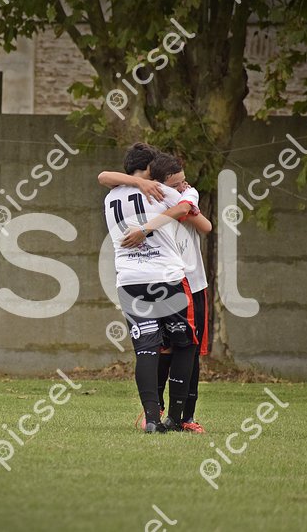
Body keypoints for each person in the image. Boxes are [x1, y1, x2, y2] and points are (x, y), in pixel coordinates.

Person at [102, 148, 199, 433]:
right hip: (166, 278)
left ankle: (152, 420)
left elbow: (103, 177)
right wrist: (185, 192)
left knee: (146, 350)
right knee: (185, 344)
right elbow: (189, 210)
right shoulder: (162, 192)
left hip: (129, 281)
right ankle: (177, 417)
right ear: (148, 169)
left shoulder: (110, 197)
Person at [122, 161, 212, 433]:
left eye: (184, 181)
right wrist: (141, 184)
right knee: (161, 348)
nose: (183, 186)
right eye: (176, 183)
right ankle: (156, 410)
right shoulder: (151, 199)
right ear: (157, 184)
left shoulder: (184, 196)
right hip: (165, 281)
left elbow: (205, 225)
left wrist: (149, 226)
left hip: (193, 284)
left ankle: (186, 416)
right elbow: (104, 176)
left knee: (190, 350)